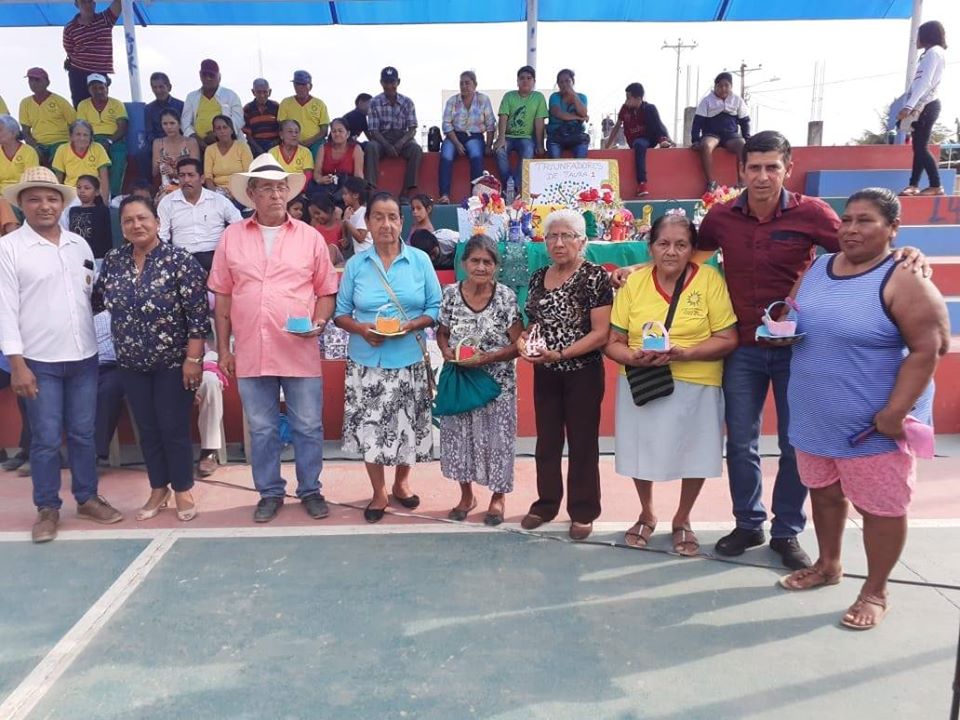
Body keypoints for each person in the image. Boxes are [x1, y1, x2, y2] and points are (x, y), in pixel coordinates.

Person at [613, 130, 928, 569]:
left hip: (799, 349)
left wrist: (904, 251)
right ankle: (748, 523)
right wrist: (637, 267)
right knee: (741, 442)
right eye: (754, 167)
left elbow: (857, 249)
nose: (762, 176)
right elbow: (685, 256)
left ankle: (786, 531)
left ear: (788, 169)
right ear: (741, 170)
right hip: (742, 348)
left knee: (795, 443)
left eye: (771, 167)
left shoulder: (813, 213)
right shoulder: (722, 217)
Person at [780, 188, 949, 630]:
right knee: (824, 494)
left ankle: (875, 590)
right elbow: (792, 314)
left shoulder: (904, 277)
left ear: (893, 228)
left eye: (865, 220)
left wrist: (894, 413)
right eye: (847, 220)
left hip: (871, 428)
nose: (851, 229)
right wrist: (778, 330)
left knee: (881, 509)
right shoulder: (818, 268)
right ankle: (828, 564)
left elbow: (930, 347)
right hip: (815, 417)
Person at [208, 154, 339, 523]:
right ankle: (269, 492)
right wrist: (223, 349)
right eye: (266, 188)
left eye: (281, 187)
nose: (276, 194)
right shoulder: (231, 237)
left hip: (299, 347)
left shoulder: (310, 238)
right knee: (262, 428)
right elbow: (223, 297)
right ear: (251, 194)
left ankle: (310, 489)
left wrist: (319, 321)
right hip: (252, 349)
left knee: (308, 425)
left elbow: (326, 291)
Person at [0, 166, 123, 543]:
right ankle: (47, 508)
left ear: (61, 203)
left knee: (84, 434)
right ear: (21, 204)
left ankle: (86, 498)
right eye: (34, 199)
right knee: (47, 439)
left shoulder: (78, 245)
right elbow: (5, 309)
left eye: (52, 198)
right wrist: (17, 363)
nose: (44, 205)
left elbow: (91, 296)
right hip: (39, 362)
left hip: (84, 357)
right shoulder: (9, 248)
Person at [605, 213, 737, 554]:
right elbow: (613, 341)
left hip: (698, 380)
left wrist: (686, 353)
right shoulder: (633, 283)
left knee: (695, 452)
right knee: (640, 449)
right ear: (650, 248)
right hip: (642, 380)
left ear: (692, 249)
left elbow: (727, 338)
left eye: (681, 244)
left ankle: (683, 518)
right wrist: (633, 357)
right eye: (663, 243)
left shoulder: (709, 280)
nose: (671, 252)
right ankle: (646, 513)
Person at [93, 195, 210, 522]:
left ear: (157, 222)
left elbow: (198, 316)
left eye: (143, 218)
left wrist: (193, 360)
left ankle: (183, 488)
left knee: (173, 427)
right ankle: (159, 488)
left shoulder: (179, 260)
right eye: (128, 220)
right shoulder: (114, 260)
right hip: (131, 363)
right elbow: (98, 301)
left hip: (174, 363)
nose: (136, 225)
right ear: (122, 227)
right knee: (147, 429)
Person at [333, 191, 442, 523]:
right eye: (378, 217)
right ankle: (379, 491)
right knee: (371, 429)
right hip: (367, 361)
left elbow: (435, 307)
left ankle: (402, 483)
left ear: (401, 221)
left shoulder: (419, 260)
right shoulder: (356, 265)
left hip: (409, 357)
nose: (386, 224)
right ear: (367, 223)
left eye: (392, 217)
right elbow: (340, 314)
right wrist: (362, 329)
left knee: (408, 426)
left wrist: (412, 325)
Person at [519, 209, 612, 540]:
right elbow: (534, 322)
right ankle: (546, 504)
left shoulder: (594, 277)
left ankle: (583, 510)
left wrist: (561, 353)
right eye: (552, 236)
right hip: (545, 371)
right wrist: (526, 340)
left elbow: (600, 333)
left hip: (582, 371)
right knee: (547, 441)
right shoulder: (538, 276)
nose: (558, 243)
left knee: (582, 442)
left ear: (581, 241)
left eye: (566, 236)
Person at [436, 235, 522, 524]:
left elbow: (518, 343)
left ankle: (498, 498)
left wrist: (488, 358)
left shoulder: (505, 297)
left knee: (499, 441)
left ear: (496, 266)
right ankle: (466, 496)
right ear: (464, 263)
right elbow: (442, 332)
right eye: (475, 260)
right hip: (461, 380)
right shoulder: (450, 294)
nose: (481, 267)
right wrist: (446, 351)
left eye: (487, 262)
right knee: (460, 439)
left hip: (497, 385)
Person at [158, 157, 242, 274]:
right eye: (182, 175)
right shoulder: (167, 202)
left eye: (191, 175)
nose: (186, 180)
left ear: (202, 179)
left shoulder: (219, 200)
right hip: (183, 259)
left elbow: (239, 225)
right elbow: (162, 236)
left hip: (216, 257)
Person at [898, 21, 948, 197]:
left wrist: (909, 106)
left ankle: (936, 185)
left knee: (921, 147)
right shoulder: (932, 53)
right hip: (924, 104)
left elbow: (924, 82)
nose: (916, 40)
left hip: (926, 105)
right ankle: (914, 185)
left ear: (926, 35)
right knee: (918, 147)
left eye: (918, 35)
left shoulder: (934, 53)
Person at [603, 82, 672, 197]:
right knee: (639, 144)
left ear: (639, 99)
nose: (626, 101)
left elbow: (657, 124)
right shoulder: (625, 109)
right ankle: (642, 183)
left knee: (651, 111)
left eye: (628, 98)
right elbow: (617, 126)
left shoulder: (647, 108)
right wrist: (608, 145)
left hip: (649, 138)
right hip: (636, 141)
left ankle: (663, 140)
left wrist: (663, 138)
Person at [438, 71, 497, 204]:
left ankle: (475, 196)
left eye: (467, 83)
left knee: (476, 155)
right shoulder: (452, 101)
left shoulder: (483, 100)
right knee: (446, 155)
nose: (464, 86)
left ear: (475, 85)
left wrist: (488, 145)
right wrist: (457, 144)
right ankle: (444, 195)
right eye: (461, 83)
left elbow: (490, 124)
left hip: (475, 136)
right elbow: (446, 124)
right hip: (454, 135)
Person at [365, 67, 422, 201]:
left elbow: (412, 128)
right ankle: (371, 190)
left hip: (402, 137)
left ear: (398, 82)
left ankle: (406, 191)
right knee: (371, 147)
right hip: (381, 138)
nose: (389, 86)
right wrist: (387, 145)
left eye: (392, 82)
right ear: (381, 83)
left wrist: (400, 143)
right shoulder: (374, 102)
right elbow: (373, 130)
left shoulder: (407, 102)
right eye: (386, 82)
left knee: (416, 149)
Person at [495, 65, 548, 198]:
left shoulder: (538, 97)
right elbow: (503, 117)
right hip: (508, 136)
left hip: (526, 137)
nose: (525, 81)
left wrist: (540, 145)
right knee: (500, 150)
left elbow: (539, 122)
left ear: (534, 82)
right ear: (517, 81)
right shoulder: (509, 96)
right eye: (522, 78)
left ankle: (515, 186)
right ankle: (509, 184)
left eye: (529, 78)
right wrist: (501, 138)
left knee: (528, 150)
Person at [691, 72, 751, 190]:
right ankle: (711, 183)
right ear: (715, 87)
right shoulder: (707, 101)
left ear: (731, 86)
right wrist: (695, 140)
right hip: (711, 134)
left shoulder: (737, 100)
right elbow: (697, 122)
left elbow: (745, 121)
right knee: (706, 145)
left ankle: (742, 183)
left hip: (731, 135)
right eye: (720, 86)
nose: (723, 89)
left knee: (743, 146)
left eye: (726, 85)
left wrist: (747, 137)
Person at [62, 0, 121, 107]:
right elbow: (69, 49)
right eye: (84, 2)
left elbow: (119, 3)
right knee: (80, 106)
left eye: (90, 1)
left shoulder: (105, 19)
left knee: (101, 105)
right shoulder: (70, 28)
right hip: (78, 72)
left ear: (94, 3)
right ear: (77, 5)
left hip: (100, 72)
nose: (88, 5)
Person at [76, 73, 127, 197]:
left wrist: (109, 141)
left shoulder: (116, 104)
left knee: (119, 158)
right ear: (89, 90)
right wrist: (92, 142)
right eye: (94, 88)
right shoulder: (83, 105)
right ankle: (95, 195)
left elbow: (122, 127)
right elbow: (82, 126)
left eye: (101, 88)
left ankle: (114, 196)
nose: (99, 91)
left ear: (107, 88)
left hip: (114, 138)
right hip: (92, 139)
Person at [181, 60, 244, 151]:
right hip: (198, 146)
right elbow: (185, 123)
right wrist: (197, 139)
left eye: (211, 75)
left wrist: (217, 135)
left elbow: (238, 121)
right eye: (204, 75)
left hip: (227, 145)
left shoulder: (231, 95)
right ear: (200, 75)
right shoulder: (191, 97)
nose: (208, 78)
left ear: (219, 77)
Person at [19, 68, 76, 165]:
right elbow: (25, 131)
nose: (33, 83)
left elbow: (75, 125)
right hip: (38, 144)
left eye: (37, 80)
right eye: (30, 80)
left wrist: (70, 144)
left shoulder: (59, 101)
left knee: (57, 161)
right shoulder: (25, 103)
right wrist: (35, 148)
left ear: (47, 82)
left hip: (60, 142)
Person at [51, 119, 110, 204]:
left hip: (94, 192)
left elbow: (104, 179)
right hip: (72, 192)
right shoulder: (62, 150)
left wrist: (104, 203)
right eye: (78, 134)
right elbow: (58, 179)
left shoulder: (98, 148)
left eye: (86, 135)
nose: (82, 138)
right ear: (71, 136)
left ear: (91, 137)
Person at [92, 309, 123, 466]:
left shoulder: (127, 316)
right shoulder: (89, 318)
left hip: (116, 366)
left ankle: (95, 452)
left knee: (108, 391)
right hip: (87, 367)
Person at [278, 70, 330, 157]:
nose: (300, 87)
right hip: (291, 142)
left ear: (310, 86)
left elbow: (324, 130)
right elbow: (281, 125)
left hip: (315, 143)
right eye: (297, 84)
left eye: (303, 84)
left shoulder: (319, 104)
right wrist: (294, 140)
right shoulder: (285, 102)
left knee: (319, 156)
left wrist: (308, 142)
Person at [59, 174, 112, 258]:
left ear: (97, 192)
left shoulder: (102, 211)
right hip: (76, 255)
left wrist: (107, 256)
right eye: (79, 188)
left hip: (97, 257)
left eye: (87, 188)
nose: (82, 191)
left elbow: (108, 236)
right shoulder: (72, 210)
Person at [203, 115, 254, 202]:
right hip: (219, 192)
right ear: (214, 132)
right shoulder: (210, 150)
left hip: (241, 190)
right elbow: (208, 177)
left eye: (225, 127)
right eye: (218, 128)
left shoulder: (242, 147)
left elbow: (249, 174)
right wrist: (215, 193)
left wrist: (235, 192)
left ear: (231, 130)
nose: (222, 131)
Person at [151, 108, 200, 192]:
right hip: (166, 188)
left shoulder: (191, 142)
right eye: (165, 124)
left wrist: (174, 172)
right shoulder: (158, 143)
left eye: (172, 123)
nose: (169, 127)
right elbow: (154, 173)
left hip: (188, 186)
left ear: (179, 124)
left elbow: (196, 170)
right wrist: (162, 164)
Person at [546, 69, 589, 160]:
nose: (564, 84)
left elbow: (583, 113)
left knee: (581, 159)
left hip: (576, 135)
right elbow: (558, 113)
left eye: (567, 81)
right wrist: (578, 117)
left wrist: (574, 96)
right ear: (558, 84)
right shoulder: (555, 96)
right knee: (554, 161)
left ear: (573, 81)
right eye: (561, 82)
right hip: (556, 136)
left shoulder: (582, 97)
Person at [312, 117, 363, 194]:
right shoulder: (323, 148)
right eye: (334, 131)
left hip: (347, 190)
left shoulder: (356, 149)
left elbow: (358, 177)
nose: (337, 134)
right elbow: (317, 172)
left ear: (348, 134)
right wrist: (320, 179)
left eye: (340, 131)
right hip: (326, 188)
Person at [0, 115, 40, 192]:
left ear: (13, 133)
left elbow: (32, 179)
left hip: (23, 193)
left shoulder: (28, 152)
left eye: (0, 130)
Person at [241, 78, 280, 156]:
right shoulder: (247, 109)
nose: (262, 95)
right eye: (259, 92)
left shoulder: (276, 106)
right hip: (255, 145)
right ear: (253, 92)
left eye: (265, 92)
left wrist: (273, 146)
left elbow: (281, 129)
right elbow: (248, 135)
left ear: (270, 92)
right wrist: (259, 150)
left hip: (274, 145)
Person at [144, 71, 184, 145]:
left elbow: (185, 130)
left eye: (161, 87)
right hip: (158, 146)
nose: (158, 91)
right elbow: (150, 134)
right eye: (155, 87)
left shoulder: (181, 106)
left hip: (180, 145)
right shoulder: (148, 109)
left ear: (169, 87)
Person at [341, 175, 371, 256]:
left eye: (345, 194)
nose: (343, 196)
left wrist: (346, 221)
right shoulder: (349, 211)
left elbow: (360, 238)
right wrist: (344, 238)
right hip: (358, 255)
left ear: (356, 195)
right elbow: (346, 234)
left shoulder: (363, 212)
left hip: (366, 255)